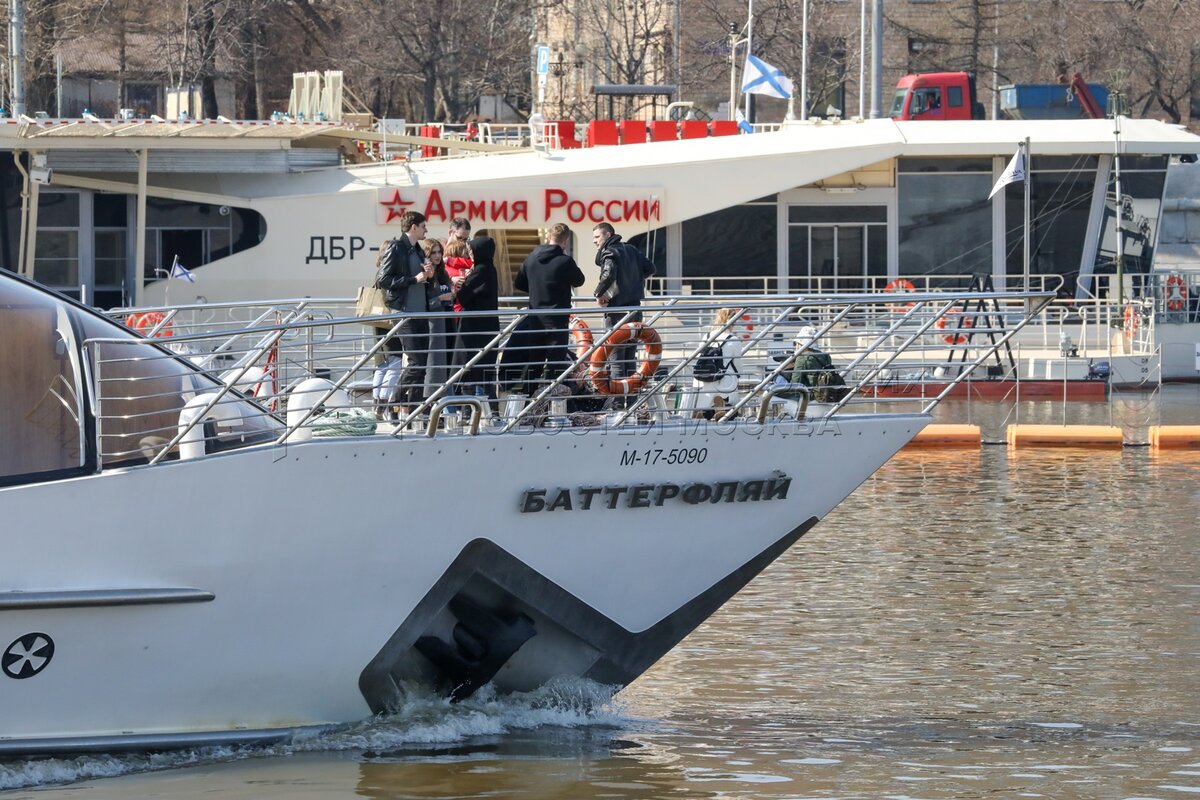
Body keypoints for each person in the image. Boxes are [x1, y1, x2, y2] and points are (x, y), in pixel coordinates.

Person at [501, 223, 585, 394]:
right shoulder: (565, 261)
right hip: (557, 320)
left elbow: (519, 283)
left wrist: (536, 289)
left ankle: (529, 400)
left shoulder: (531, 258)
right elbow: (579, 281)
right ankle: (552, 402)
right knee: (555, 365)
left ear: (548, 237)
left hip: (535, 319)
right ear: (565, 241)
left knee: (535, 363)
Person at [374, 211, 435, 417]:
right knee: (416, 362)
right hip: (404, 312)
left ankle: (415, 412)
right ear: (414, 227)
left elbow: (420, 280)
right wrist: (414, 279)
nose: (426, 230)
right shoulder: (397, 247)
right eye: (423, 226)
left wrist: (428, 276)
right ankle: (394, 402)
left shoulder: (417, 249)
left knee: (422, 365)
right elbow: (384, 279)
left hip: (421, 313)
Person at [592, 221, 656, 386]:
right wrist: (634, 280)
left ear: (608, 235)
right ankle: (631, 398)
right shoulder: (631, 249)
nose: (594, 241)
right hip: (635, 311)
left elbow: (608, 274)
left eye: (597, 237)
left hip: (617, 313)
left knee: (616, 361)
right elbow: (650, 268)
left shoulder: (609, 252)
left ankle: (618, 400)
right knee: (629, 359)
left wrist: (599, 294)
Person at [452, 235, 500, 407]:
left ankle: (467, 412)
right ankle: (491, 412)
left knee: (467, 369)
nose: (470, 254)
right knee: (485, 373)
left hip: (474, 328)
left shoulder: (480, 270)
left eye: (472, 251)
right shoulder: (489, 268)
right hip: (487, 327)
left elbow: (463, 297)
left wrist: (459, 286)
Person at [776, 326, 849, 415]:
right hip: (826, 394)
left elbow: (795, 384)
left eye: (796, 343)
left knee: (775, 385)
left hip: (812, 397)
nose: (795, 346)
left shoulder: (802, 358)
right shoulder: (825, 356)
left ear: (800, 343)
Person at [690, 308, 745, 419]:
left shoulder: (707, 336)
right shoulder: (733, 340)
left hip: (703, 378)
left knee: (708, 396)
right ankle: (723, 407)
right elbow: (738, 366)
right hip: (724, 382)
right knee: (730, 373)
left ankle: (706, 411)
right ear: (733, 321)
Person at [420, 239, 455, 395]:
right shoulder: (425, 274)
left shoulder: (442, 272)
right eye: (433, 252)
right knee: (434, 364)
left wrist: (453, 292)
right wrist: (440, 298)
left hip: (447, 320)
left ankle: (446, 401)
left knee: (448, 362)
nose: (437, 255)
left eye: (439, 252)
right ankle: (430, 399)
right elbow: (423, 303)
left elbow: (450, 290)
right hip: (433, 324)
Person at [443, 239, 474, 314]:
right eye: (466, 253)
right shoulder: (446, 269)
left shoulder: (444, 267)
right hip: (459, 308)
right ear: (457, 253)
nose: (468, 256)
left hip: (455, 308)